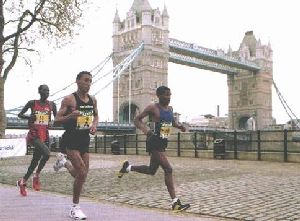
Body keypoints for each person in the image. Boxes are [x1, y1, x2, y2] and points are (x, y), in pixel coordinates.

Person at [117, 85, 190, 211]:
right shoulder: (153, 107)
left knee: (151, 170)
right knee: (168, 169)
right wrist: (146, 130)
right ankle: (175, 202)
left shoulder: (170, 109)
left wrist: (180, 127)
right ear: (159, 95)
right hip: (154, 141)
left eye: (170, 95)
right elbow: (137, 120)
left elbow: (171, 122)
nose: (168, 97)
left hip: (163, 142)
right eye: (166, 95)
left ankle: (127, 167)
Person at [53, 71, 98, 220]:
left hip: (84, 138)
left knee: (82, 175)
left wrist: (94, 126)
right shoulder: (69, 100)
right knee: (82, 173)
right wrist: (70, 116)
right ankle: (74, 208)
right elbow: (56, 120)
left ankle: (64, 162)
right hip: (71, 139)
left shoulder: (93, 100)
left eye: (90, 81)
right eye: (85, 80)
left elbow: (96, 115)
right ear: (77, 81)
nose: (88, 83)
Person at [16, 84, 57, 196]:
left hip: (45, 135)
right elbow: (20, 115)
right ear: (39, 92)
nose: (47, 92)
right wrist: (29, 117)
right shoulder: (32, 103)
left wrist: (53, 123)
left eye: (48, 90)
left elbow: (57, 119)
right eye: (44, 90)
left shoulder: (52, 105)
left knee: (34, 161)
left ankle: (22, 182)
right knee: (47, 154)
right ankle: (37, 175)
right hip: (34, 135)